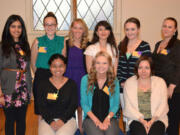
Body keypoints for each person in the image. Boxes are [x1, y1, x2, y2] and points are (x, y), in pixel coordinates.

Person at [117, 17, 151, 131]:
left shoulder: (144, 46)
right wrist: (121, 81)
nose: (129, 32)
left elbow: (147, 68)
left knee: (136, 115)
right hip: (122, 87)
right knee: (125, 114)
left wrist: (132, 82)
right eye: (127, 29)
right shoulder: (121, 45)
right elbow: (119, 66)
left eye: (132, 29)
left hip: (138, 87)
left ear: (138, 30)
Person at [0, 15, 32, 135]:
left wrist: (30, 89)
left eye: (19, 27)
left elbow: (27, 68)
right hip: (8, 89)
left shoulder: (25, 45)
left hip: (23, 89)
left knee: (21, 121)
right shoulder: (2, 46)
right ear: (8, 28)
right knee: (9, 120)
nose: (16, 29)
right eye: (13, 26)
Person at [123, 56, 168, 135]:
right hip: (136, 119)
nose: (143, 71)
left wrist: (152, 120)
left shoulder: (160, 82)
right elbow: (128, 107)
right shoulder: (129, 83)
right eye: (140, 67)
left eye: (147, 68)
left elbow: (163, 105)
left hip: (157, 118)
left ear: (151, 69)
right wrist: (142, 121)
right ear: (137, 69)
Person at [31, 12, 64, 115]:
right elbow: (33, 62)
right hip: (41, 77)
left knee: (55, 105)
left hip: (56, 78)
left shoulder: (62, 41)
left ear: (56, 25)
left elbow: (63, 62)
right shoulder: (37, 41)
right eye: (47, 24)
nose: (50, 27)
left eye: (52, 24)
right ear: (44, 26)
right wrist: (39, 74)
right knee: (41, 109)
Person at [81, 51, 121, 135]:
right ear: (94, 64)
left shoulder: (114, 81)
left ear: (109, 65)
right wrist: (97, 121)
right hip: (90, 118)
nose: (101, 66)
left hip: (110, 117)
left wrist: (108, 118)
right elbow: (84, 104)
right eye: (98, 63)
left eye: (104, 63)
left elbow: (116, 105)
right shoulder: (85, 79)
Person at [37, 54, 78, 135]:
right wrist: (50, 121)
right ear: (50, 67)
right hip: (47, 120)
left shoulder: (71, 84)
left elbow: (73, 105)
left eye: (61, 66)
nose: (57, 69)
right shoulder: (42, 84)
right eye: (54, 66)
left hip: (68, 119)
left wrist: (62, 120)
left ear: (65, 66)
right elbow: (41, 106)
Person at [152, 17, 180, 135]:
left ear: (175, 29)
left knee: (172, 121)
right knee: (161, 119)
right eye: (164, 26)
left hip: (173, 89)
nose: (166, 29)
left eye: (169, 27)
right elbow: (153, 61)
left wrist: (172, 86)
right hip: (159, 87)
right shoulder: (159, 43)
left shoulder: (177, 44)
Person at [62, 18, 89, 134]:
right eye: (75, 27)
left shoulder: (89, 45)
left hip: (82, 77)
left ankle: (81, 127)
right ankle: (69, 125)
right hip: (68, 76)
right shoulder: (66, 43)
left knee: (81, 104)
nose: (77, 30)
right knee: (68, 102)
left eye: (80, 28)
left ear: (84, 30)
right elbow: (62, 61)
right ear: (71, 29)